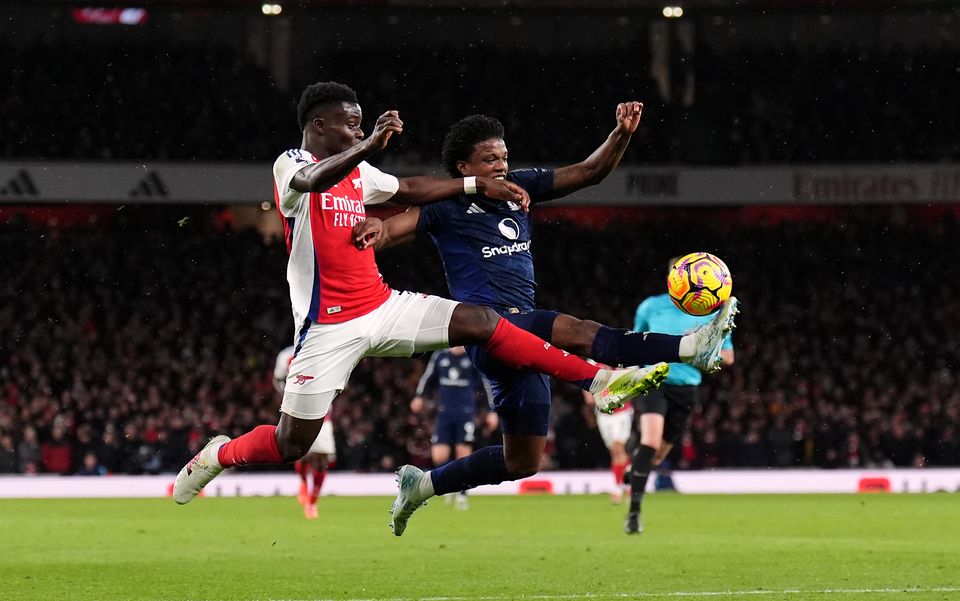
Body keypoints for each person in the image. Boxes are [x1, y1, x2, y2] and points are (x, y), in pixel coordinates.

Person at [172, 82, 669, 531]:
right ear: (319, 126)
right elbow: (314, 181)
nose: (360, 130)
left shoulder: (360, 172)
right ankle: (219, 455)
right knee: (291, 443)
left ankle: (596, 379)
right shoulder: (292, 165)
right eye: (351, 123)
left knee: (482, 320)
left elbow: (411, 189)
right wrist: (369, 146)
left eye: (362, 124)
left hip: (383, 305)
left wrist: (475, 185)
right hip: (328, 328)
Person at [356, 105, 739, 535]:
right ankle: (688, 347)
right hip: (489, 329)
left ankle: (422, 485)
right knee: (580, 332)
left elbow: (590, 172)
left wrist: (621, 133)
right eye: (489, 160)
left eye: (503, 157)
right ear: (464, 167)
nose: (501, 165)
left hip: (527, 342)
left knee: (521, 461)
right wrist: (376, 229)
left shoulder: (522, 186)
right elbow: (394, 228)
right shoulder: (446, 205)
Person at [624, 261, 736, 535]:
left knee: (658, 455)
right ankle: (634, 513)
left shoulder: (713, 315)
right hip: (654, 381)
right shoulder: (651, 306)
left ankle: (635, 468)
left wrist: (698, 349)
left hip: (686, 389)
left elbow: (728, 357)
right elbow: (632, 342)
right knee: (651, 442)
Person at [411, 346, 496, 510]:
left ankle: (463, 494)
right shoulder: (440, 356)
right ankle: (449, 484)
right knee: (439, 456)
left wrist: (491, 411)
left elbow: (485, 385)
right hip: (444, 413)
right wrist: (419, 396)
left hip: (465, 414)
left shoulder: (471, 357)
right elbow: (428, 377)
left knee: (463, 454)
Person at [274, 345, 335, 519]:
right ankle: (302, 482)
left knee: (322, 458)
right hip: (296, 409)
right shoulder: (286, 355)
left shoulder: (325, 349)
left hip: (322, 409)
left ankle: (312, 502)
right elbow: (278, 379)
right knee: (302, 453)